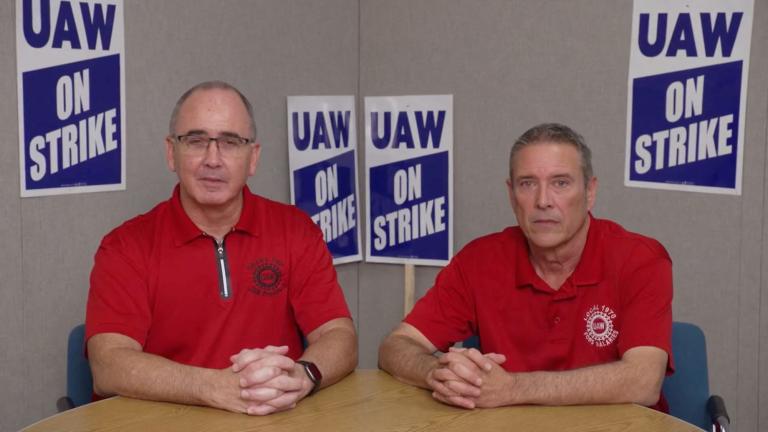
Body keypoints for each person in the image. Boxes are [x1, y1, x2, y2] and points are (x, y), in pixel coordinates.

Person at [86, 81, 357, 416]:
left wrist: (303, 375)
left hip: (270, 419)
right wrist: (211, 386)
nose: (212, 159)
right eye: (196, 141)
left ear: (253, 157)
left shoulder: (296, 231)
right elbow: (108, 365)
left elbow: (339, 336)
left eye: (230, 142)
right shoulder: (125, 246)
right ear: (172, 152)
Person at [378, 123, 673, 412]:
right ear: (511, 194)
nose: (542, 201)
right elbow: (396, 346)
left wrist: (512, 388)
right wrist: (436, 372)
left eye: (561, 183)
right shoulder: (479, 261)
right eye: (527, 183)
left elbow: (644, 382)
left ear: (590, 191)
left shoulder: (640, 259)